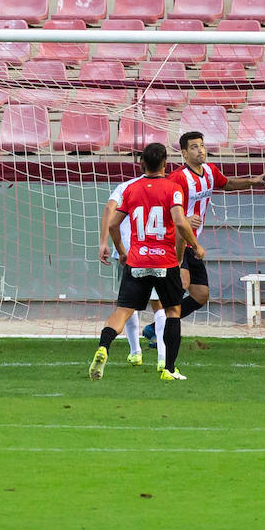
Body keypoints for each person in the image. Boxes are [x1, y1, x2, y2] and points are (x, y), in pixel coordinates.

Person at [138, 131, 265, 350]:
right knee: (179, 285)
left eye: (201, 145)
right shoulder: (178, 178)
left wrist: (253, 181)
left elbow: (226, 183)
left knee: (200, 295)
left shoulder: (210, 171)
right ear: (183, 153)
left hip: (191, 242)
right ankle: (162, 333)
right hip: (175, 241)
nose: (200, 150)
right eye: (194, 147)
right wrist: (182, 218)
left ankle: (154, 327)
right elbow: (161, 205)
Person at [90, 143, 205, 381]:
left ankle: (104, 347)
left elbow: (113, 224)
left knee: (122, 311)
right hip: (165, 261)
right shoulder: (173, 188)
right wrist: (195, 245)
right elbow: (181, 223)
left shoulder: (131, 189)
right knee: (172, 311)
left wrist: (121, 251)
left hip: (137, 260)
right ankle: (168, 369)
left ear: (142, 164)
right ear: (165, 163)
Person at [99, 171, 158, 368]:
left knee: (127, 303)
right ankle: (165, 359)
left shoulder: (127, 186)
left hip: (127, 251)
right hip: (157, 253)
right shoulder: (167, 186)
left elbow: (109, 208)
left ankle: (135, 351)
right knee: (161, 304)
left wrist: (103, 242)